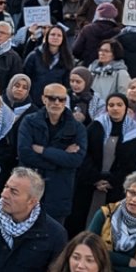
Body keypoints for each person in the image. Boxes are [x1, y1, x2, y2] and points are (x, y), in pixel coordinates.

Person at [70, 94, 136, 234]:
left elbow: (132, 164)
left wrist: (111, 181)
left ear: (126, 108)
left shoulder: (134, 132)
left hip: (115, 187)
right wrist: (96, 179)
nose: (115, 108)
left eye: (119, 105)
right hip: (90, 185)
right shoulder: (96, 126)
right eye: (111, 105)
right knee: (82, 223)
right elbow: (84, 154)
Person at [17, 83, 88, 222]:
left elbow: (76, 160)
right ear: (44, 99)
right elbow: (25, 154)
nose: (56, 102)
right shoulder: (29, 121)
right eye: (52, 98)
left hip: (59, 191)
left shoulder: (77, 128)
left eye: (61, 99)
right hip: (30, 188)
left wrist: (43, 150)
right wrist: (60, 158)